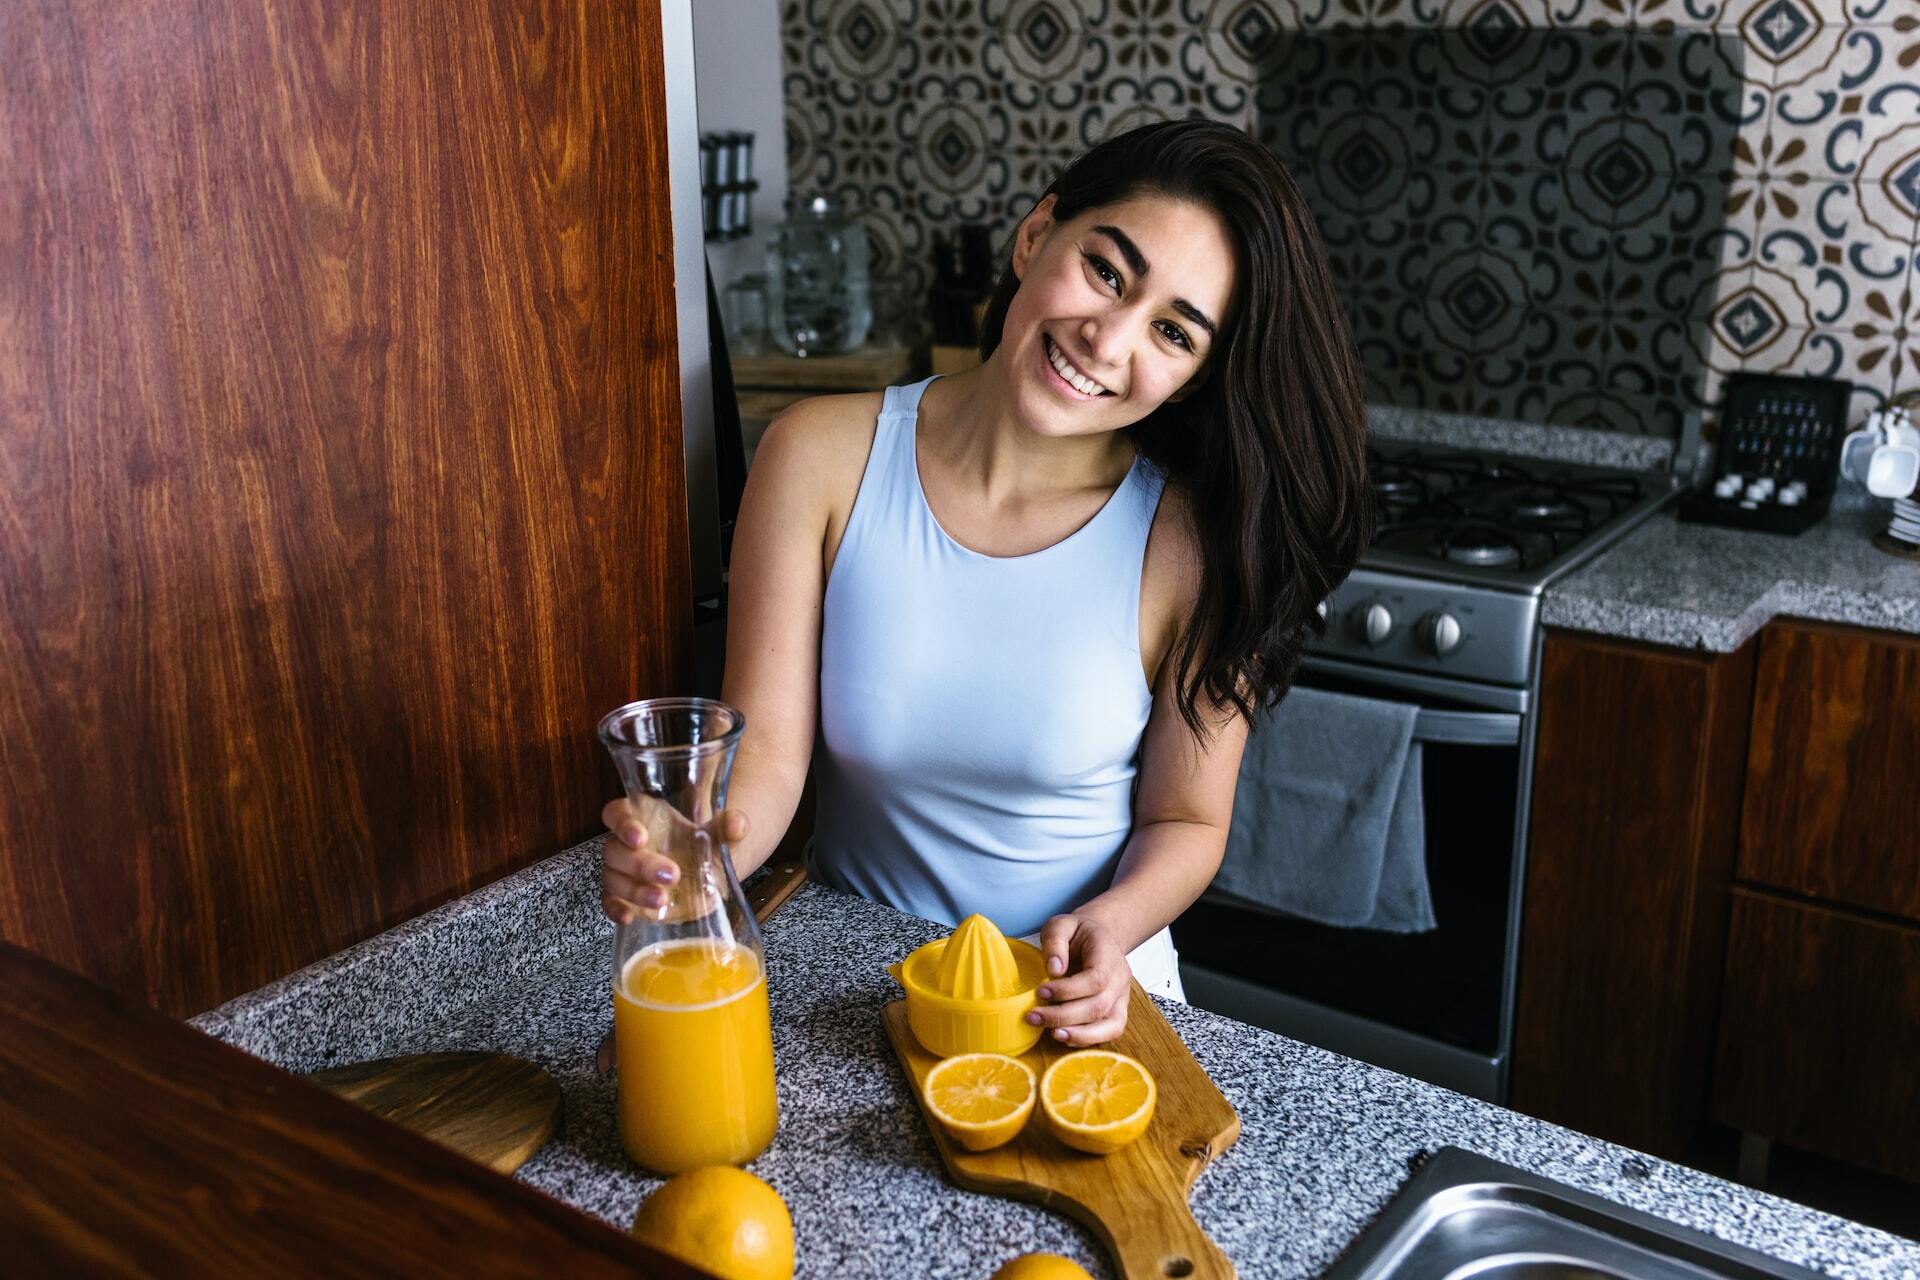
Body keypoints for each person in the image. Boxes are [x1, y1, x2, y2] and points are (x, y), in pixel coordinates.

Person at [602, 120, 1372, 1045]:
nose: (1108, 339)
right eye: (1107, 272)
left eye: (1172, 331)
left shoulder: (1195, 546)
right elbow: (766, 756)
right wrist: (698, 853)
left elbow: (1188, 818)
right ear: (1036, 233)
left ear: (1196, 378)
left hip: (1076, 1003)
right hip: (854, 996)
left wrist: (1115, 926)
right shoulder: (815, 457)